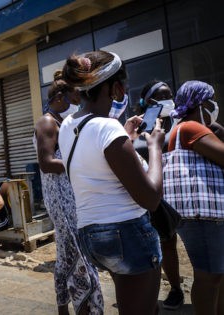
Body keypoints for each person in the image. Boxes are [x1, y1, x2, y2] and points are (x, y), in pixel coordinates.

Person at [59, 50, 165, 315]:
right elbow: (151, 198)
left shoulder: (68, 125)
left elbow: (97, 162)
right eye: (124, 83)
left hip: (92, 236)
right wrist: (155, 148)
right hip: (127, 234)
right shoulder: (108, 129)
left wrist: (124, 135)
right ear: (115, 87)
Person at [34, 70, 103, 315]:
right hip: (61, 201)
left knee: (65, 259)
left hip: (71, 197)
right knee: (80, 257)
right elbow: (46, 162)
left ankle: (64, 308)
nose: (79, 101)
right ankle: (88, 307)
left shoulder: (62, 122)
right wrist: (83, 161)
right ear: (60, 97)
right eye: (76, 96)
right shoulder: (47, 122)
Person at [164, 80, 224, 315]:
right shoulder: (191, 128)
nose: (214, 105)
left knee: (216, 274)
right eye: (211, 100)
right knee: (209, 276)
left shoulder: (185, 128)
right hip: (203, 216)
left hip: (205, 214)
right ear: (200, 104)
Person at [133, 80, 185, 310]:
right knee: (167, 242)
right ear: (151, 102)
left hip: (183, 189)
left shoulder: (181, 120)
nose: (170, 99)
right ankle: (175, 288)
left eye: (171, 94)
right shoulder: (140, 128)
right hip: (157, 193)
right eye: (164, 96)